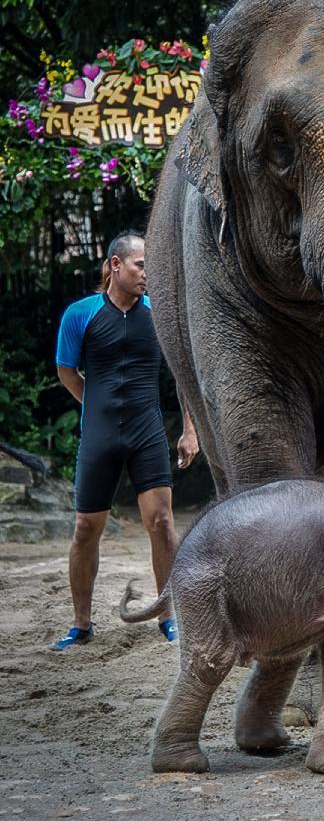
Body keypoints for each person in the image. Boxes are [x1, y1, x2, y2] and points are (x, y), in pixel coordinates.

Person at [51, 230, 199, 651]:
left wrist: (190, 430)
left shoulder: (158, 314)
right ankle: (81, 624)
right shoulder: (80, 314)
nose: (147, 274)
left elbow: (181, 376)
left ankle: (168, 615)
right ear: (116, 265)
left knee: (162, 523)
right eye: (140, 265)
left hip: (146, 431)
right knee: (85, 528)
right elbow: (66, 371)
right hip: (99, 433)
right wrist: (94, 407)